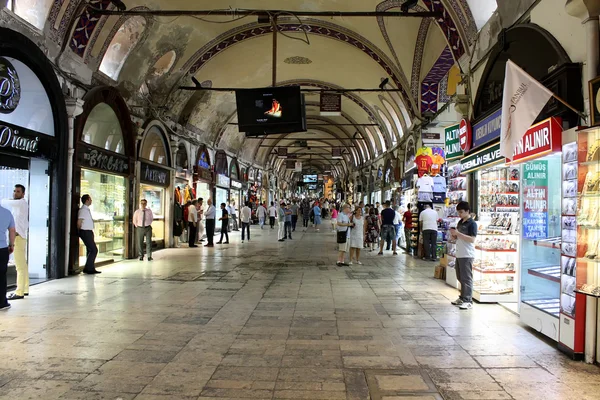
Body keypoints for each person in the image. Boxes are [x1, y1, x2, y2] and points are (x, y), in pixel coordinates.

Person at [450, 201, 478, 310]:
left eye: (461, 212)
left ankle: (468, 300)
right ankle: (462, 297)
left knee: (466, 278)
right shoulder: (460, 222)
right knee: (460, 276)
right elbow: (457, 237)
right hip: (459, 253)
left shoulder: (472, 224)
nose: (460, 214)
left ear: (467, 211)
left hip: (467, 254)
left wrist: (458, 234)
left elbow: (472, 239)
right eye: (458, 212)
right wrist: (453, 235)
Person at [3, 184, 28, 300]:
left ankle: (19, 292)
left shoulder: (21, 203)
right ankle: (25, 288)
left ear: (23, 194)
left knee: (20, 267)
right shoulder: (20, 205)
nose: (15, 193)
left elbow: (5, 202)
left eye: (18, 191)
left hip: (18, 238)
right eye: (14, 191)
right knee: (23, 265)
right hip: (21, 237)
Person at [77, 194, 100, 274]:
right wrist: (80, 231)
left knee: (90, 250)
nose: (91, 201)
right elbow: (79, 222)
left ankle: (89, 267)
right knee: (94, 250)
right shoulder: (83, 210)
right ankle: (89, 268)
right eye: (90, 199)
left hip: (89, 231)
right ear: (87, 200)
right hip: (85, 231)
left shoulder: (87, 210)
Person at [0, 203, 15, 310]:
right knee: (1, 276)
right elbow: (12, 230)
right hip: (2, 249)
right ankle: (2, 302)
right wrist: (11, 244)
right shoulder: (7, 213)